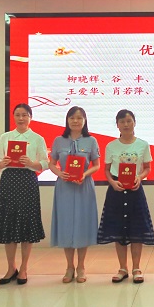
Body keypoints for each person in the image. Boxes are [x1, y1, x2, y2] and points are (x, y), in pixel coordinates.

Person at [0, 103, 48, 285]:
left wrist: (32, 163)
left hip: (27, 181)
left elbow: (45, 163)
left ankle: (23, 268)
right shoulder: (5, 137)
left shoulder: (37, 138)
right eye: (18, 115)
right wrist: (3, 163)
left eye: (25, 115)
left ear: (30, 117)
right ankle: (11, 268)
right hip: (8, 182)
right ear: (13, 116)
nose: (21, 118)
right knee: (9, 223)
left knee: (26, 224)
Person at [97, 109, 154, 283]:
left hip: (135, 190)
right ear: (117, 125)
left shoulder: (143, 144)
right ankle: (122, 268)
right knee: (118, 230)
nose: (126, 124)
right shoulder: (111, 146)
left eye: (129, 121)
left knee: (137, 230)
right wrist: (112, 182)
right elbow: (107, 170)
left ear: (134, 123)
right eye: (122, 121)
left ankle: (137, 268)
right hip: (116, 190)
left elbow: (147, 168)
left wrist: (140, 177)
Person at [49, 106, 100, 283]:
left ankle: (81, 267)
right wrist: (59, 173)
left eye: (79, 118)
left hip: (83, 186)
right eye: (72, 118)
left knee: (82, 224)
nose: (75, 121)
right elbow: (52, 163)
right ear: (67, 120)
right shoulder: (59, 140)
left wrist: (84, 174)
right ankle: (69, 267)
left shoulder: (91, 141)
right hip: (64, 187)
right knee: (66, 224)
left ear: (85, 121)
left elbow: (96, 165)